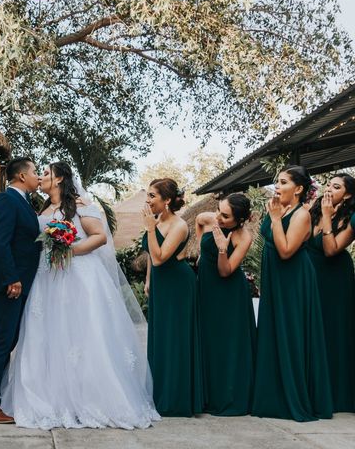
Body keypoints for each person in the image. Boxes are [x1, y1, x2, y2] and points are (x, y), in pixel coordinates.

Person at [1, 162, 160, 429]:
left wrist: (69, 250)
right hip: (46, 278)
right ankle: (50, 396)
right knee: (47, 334)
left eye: (47, 174)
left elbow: (99, 237)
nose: (40, 177)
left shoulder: (80, 204)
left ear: (60, 178)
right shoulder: (41, 209)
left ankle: (88, 397)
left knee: (81, 333)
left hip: (77, 275)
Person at [251, 165, 332, 421]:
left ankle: (295, 398)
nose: (277, 186)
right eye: (277, 181)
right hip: (275, 280)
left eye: (283, 182)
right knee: (273, 332)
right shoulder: (276, 208)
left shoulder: (301, 215)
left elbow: (286, 250)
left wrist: (275, 220)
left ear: (298, 189)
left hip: (294, 281)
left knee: (292, 334)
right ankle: (272, 398)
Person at [0, 157, 41, 424]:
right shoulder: (5, 200)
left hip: (18, 283)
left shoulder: (25, 203)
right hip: (7, 284)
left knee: (9, 339)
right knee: (2, 340)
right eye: (36, 172)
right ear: (22, 176)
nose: (38, 176)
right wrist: (12, 278)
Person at [141, 178, 203, 416]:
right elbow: (150, 256)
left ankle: (175, 399)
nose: (148, 201)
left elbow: (159, 258)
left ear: (166, 200)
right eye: (147, 195)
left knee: (175, 339)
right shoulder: (156, 220)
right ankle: (158, 393)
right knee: (160, 337)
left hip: (178, 285)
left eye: (152, 196)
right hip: (160, 283)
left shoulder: (179, 226)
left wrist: (149, 228)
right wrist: (148, 279)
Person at [195, 193, 256, 416]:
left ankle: (226, 395)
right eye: (219, 211)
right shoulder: (212, 218)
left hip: (229, 293)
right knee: (208, 339)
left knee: (226, 343)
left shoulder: (243, 236)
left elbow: (226, 271)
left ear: (240, 220)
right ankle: (205, 394)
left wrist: (222, 249)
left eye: (226, 216)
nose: (219, 218)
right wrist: (203, 251)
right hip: (206, 287)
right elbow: (199, 220)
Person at [307, 173, 355, 413]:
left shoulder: (350, 218)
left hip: (334, 279)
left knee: (332, 331)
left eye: (336, 187)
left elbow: (331, 249)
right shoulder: (313, 211)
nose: (328, 190)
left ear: (347, 194)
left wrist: (327, 218)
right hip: (310, 278)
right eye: (328, 184)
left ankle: (335, 395)